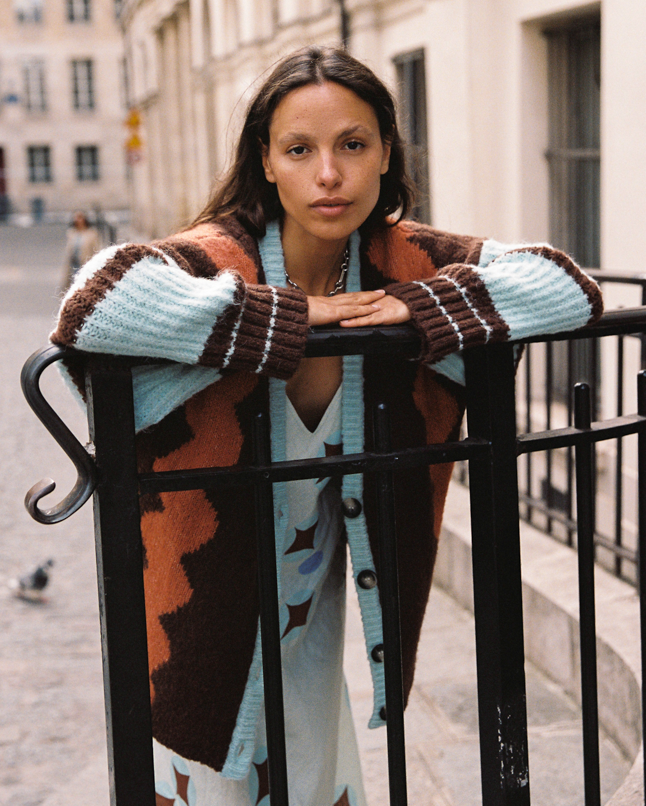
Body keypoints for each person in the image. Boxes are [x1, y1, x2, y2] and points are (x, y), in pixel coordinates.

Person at [51, 46, 602, 806]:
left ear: (385, 156)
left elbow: (567, 285)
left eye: (352, 144)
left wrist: (428, 306)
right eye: (299, 150)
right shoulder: (224, 257)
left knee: (318, 785)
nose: (329, 176)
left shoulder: (402, 261)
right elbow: (92, 303)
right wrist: (273, 316)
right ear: (267, 163)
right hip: (199, 641)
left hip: (312, 637)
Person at [60, 211, 101, 292]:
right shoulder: (72, 233)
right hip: (74, 264)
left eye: (80, 217)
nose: (78, 220)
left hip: (86, 264)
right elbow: (69, 250)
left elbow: (96, 249)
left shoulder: (92, 233)